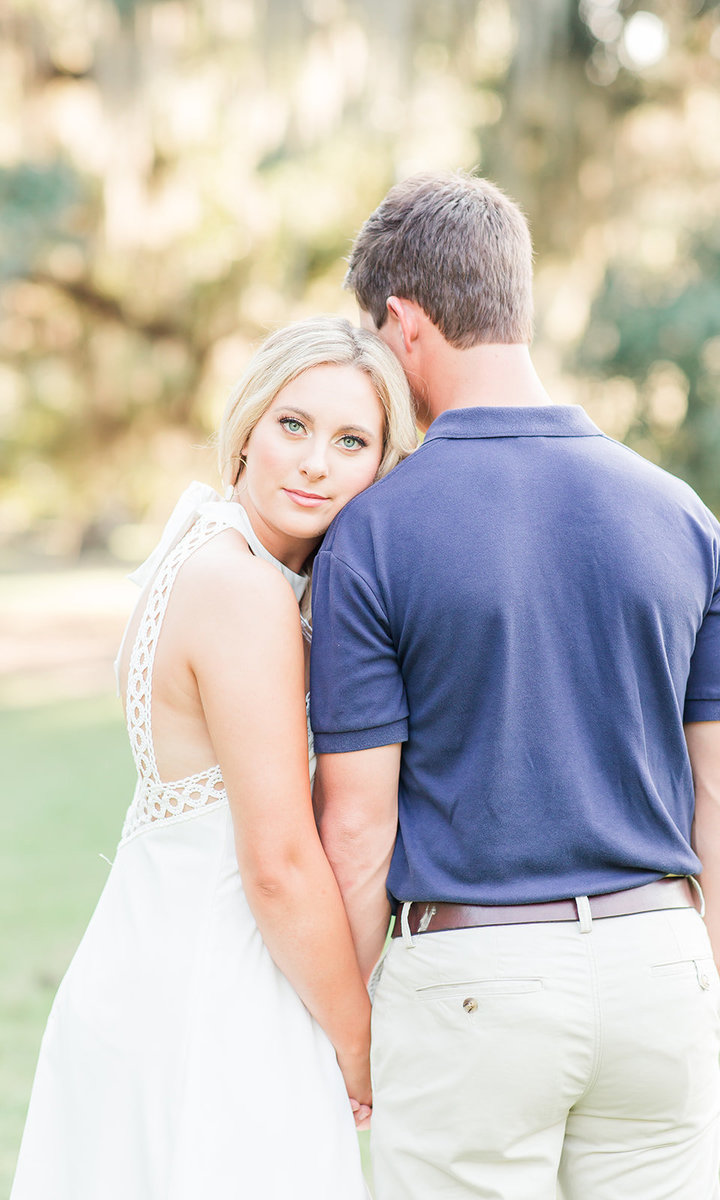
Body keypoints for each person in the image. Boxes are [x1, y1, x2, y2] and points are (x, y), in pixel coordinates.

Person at [309, 172, 720, 1200]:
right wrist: (690, 978)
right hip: (659, 961)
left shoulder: (373, 536)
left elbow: (355, 833)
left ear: (401, 322)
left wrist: (346, 1037)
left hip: (474, 983)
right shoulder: (682, 515)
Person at [11, 316, 418, 1200]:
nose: (315, 462)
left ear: (382, 468)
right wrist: (357, 1042)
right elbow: (275, 863)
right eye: (293, 425)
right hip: (212, 1001)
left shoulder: (205, 556)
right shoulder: (241, 591)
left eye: (351, 441)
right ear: (245, 431)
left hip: (149, 963)